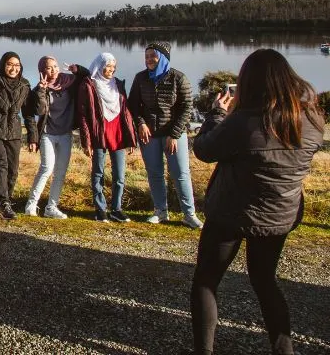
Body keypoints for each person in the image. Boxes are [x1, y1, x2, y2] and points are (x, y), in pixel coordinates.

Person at [188, 49, 323, 355]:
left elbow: (205, 150)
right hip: (279, 214)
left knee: (206, 281)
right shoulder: (311, 120)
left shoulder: (245, 122)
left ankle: (203, 352)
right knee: (264, 281)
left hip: (231, 214)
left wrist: (218, 115)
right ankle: (283, 349)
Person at [127, 41, 203, 228]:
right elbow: (133, 105)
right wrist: (141, 124)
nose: (149, 60)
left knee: (181, 173)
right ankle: (160, 211)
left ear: (163, 57)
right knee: (155, 174)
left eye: (153, 56)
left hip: (174, 135)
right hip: (150, 135)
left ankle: (189, 214)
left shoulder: (179, 78)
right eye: (146, 56)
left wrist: (175, 134)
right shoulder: (140, 78)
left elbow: (186, 108)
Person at [22, 56, 89, 219]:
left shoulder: (70, 82)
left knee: (60, 172)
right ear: (41, 71)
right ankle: (31, 205)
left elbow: (87, 77)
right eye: (48, 68)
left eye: (55, 66)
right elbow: (39, 111)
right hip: (48, 134)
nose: (53, 70)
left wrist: (78, 69)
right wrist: (42, 90)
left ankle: (51, 207)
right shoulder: (39, 89)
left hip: (66, 133)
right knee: (46, 168)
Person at [77, 52, 137, 223]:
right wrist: (86, 141)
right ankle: (100, 209)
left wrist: (131, 137)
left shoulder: (117, 84)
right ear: (100, 65)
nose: (111, 69)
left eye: (113, 66)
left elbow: (126, 111)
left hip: (118, 132)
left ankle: (117, 209)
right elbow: (83, 115)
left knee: (119, 174)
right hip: (99, 134)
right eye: (108, 66)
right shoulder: (89, 85)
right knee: (98, 172)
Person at [0, 51, 32, 220]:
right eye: (10, 64)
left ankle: (7, 200)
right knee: (1, 162)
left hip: (14, 130)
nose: (13, 68)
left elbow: (29, 113)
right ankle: (3, 202)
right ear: (3, 64)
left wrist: (33, 137)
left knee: (13, 169)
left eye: (17, 65)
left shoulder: (25, 85)